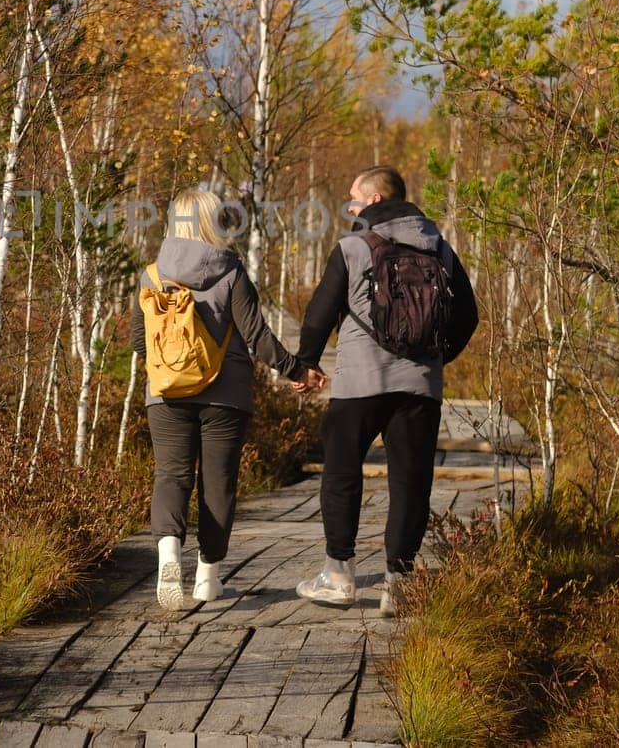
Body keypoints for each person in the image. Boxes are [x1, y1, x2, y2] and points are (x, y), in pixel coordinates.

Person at [293, 165, 478, 615]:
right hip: (420, 389)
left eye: (353, 197)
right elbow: (468, 316)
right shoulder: (441, 249)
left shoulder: (354, 247)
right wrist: (434, 358)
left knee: (341, 473)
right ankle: (398, 584)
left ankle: (338, 576)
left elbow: (321, 312)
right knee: (411, 483)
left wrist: (307, 364)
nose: (349, 205)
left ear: (374, 201)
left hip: (360, 381)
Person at [132, 188, 323, 610]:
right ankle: (207, 579)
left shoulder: (151, 275)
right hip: (226, 396)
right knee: (217, 484)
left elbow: (137, 340)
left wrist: (169, 368)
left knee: (171, 476)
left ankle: (167, 557)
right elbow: (257, 336)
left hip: (165, 396)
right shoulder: (231, 270)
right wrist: (299, 372)